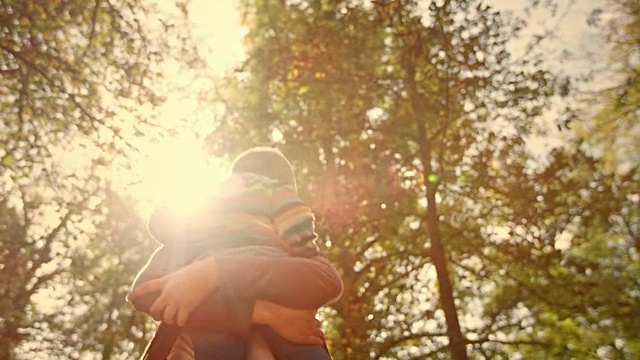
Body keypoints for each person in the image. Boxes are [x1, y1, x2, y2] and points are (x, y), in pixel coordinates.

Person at [128, 147, 342, 359]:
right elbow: (146, 293)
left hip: (212, 338)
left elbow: (144, 293)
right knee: (306, 349)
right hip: (288, 341)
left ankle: (198, 345)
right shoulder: (278, 199)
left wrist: (216, 271)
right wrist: (266, 313)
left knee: (215, 343)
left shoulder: (196, 232)